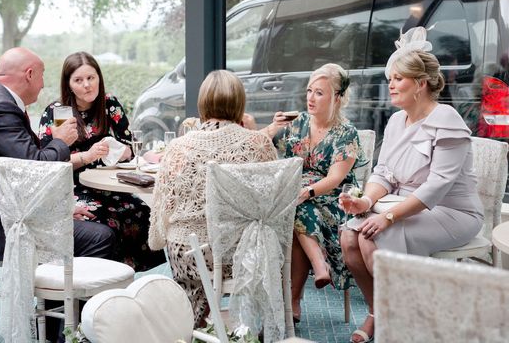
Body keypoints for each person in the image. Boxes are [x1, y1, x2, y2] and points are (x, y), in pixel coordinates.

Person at [339, 28, 484, 343]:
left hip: (453, 212)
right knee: (350, 237)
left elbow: (437, 187)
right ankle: (381, 311)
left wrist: (387, 217)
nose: (390, 84)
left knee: (369, 237)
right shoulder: (395, 121)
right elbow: (385, 173)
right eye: (390, 77)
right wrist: (365, 202)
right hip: (402, 205)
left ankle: (411, 318)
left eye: (398, 78)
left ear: (421, 84)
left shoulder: (447, 120)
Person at [148, 70, 277, 326]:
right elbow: (271, 202)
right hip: (242, 254)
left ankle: (194, 318)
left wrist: (159, 238)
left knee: (177, 239)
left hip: (191, 254)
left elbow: (163, 208)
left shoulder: (180, 147)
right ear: (240, 103)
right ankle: (249, 326)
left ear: (203, 103)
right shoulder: (258, 143)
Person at [38, 51, 164, 271]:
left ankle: (134, 279)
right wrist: (88, 155)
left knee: (146, 215)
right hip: (74, 189)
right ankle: (104, 280)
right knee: (105, 222)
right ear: (69, 85)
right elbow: (48, 162)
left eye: (91, 78)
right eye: (78, 80)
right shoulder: (56, 113)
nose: (87, 85)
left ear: (99, 78)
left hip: (109, 186)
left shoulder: (110, 104)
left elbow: (130, 147)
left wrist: (119, 150)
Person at [0, 48, 116, 262]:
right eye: (42, 75)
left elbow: (23, 170)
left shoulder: (0, 101)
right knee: (100, 237)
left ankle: (61, 292)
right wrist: (61, 141)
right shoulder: (0, 108)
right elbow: (36, 165)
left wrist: (60, 208)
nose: (43, 84)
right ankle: (62, 295)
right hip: (4, 221)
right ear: (29, 74)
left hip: (23, 205)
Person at [264, 63, 366, 324]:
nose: (310, 98)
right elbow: (262, 147)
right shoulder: (297, 124)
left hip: (334, 202)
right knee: (295, 210)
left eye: (319, 93)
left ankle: (295, 297)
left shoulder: (347, 133)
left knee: (295, 208)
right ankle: (316, 267)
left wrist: (306, 191)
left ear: (338, 98)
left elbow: (335, 179)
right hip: (300, 201)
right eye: (309, 91)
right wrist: (271, 128)